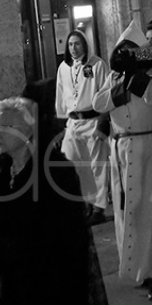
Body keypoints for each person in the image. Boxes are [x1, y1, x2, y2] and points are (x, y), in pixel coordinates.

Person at [0, 94, 115, 305]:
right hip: (19, 284)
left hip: (54, 286)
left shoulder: (55, 171)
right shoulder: (1, 167)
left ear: (27, 132)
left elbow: (68, 236)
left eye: (6, 126)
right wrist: (3, 264)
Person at [92, 20, 152, 301]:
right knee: (130, 212)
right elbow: (98, 103)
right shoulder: (115, 76)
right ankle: (139, 269)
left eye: (133, 51)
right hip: (124, 148)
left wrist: (136, 77)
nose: (127, 57)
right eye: (123, 52)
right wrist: (123, 80)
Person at [55, 30, 111, 223]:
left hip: (92, 120)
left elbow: (106, 92)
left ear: (85, 45)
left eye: (77, 44)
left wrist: (104, 123)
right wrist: (61, 121)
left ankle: (98, 207)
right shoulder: (63, 67)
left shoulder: (97, 65)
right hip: (73, 122)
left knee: (97, 165)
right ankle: (82, 202)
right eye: (70, 44)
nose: (74, 48)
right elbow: (61, 94)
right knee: (72, 163)